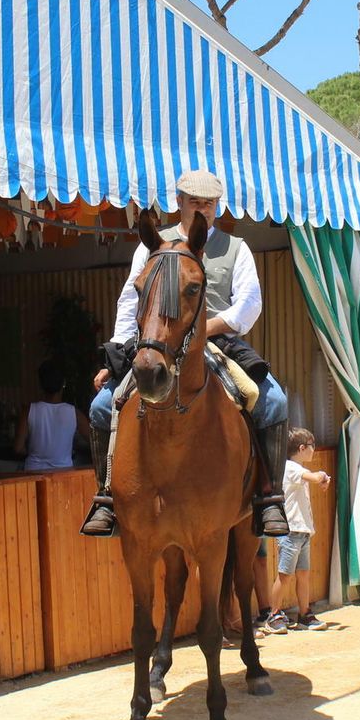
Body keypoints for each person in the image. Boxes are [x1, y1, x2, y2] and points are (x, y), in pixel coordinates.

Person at [82, 169, 289, 538]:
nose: (203, 210)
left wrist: (202, 330)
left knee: (273, 401)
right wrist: (115, 353)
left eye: (209, 204)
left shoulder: (235, 248)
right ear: (179, 202)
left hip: (216, 340)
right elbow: (131, 299)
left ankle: (268, 499)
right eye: (195, 202)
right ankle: (106, 497)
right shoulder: (153, 244)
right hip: (157, 343)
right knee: (101, 406)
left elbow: (249, 304)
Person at [263, 429, 330, 634]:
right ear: (302, 448)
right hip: (291, 532)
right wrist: (323, 476)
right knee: (285, 576)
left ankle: (304, 613)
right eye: (311, 446)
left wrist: (321, 478)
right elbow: (313, 477)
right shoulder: (290, 467)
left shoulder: (295, 467)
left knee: (303, 574)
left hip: (302, 531)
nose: (313, 450)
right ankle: (273, 615)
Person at [16, 360, 83, 471]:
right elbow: (93, 440)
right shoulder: (74, 413)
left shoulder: (28, 410)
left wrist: (36, 452)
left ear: (41, 384)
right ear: (64, 383)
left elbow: (18, 448)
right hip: (63, 474)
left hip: (32, 474)